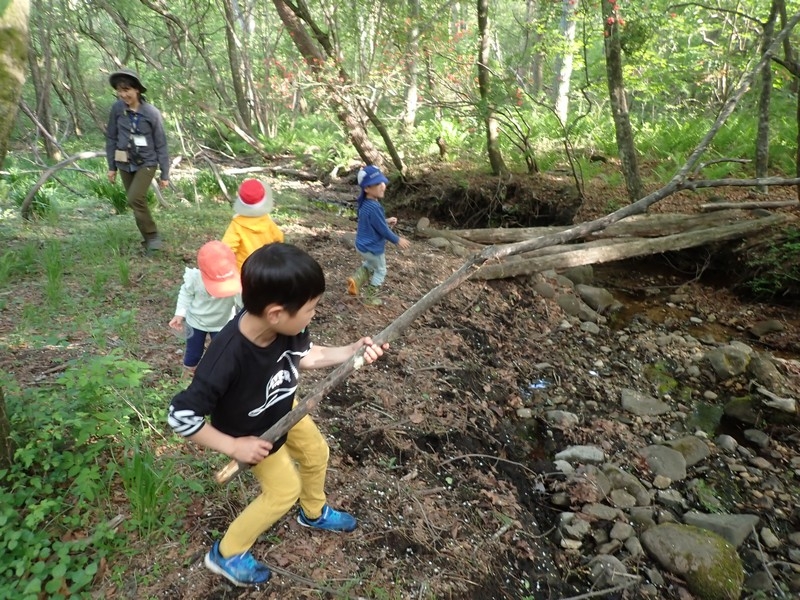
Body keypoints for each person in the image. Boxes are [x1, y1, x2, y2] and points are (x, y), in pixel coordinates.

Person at [167, 242, 389, 587]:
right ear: (275, 313)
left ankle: (313, 512)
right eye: (311, 308)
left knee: (317, 453)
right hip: (253, 433)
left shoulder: (289, 329)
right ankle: (226, 552)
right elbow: (180, 416)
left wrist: (349, 352)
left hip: (284, 409)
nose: (313, 314)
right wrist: (233, 446)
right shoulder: (226, 356)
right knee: (284, 490)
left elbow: (306, 356)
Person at [105, 68, 170, 252]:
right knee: (135, 202)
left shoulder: (151, 113)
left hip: (147, 162)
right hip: (124, 161)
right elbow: (111, 137)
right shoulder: (117, 109)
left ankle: (152, 236)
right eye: (120, 90)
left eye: (127, 90)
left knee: (135, 198)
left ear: (137, 90)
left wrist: (165, 173)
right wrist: (112, 166)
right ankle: (148, 239)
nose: (123, 94)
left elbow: (161, 144)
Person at [168, 241, 241, 375]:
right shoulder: (195, 278)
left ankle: (220, 374)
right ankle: (190, 373)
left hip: (222, 323)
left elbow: (243, 304)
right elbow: (186, 293)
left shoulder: (234, 282)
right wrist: (179, 314)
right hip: (196, 321)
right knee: (193, 352)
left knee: (222, 352)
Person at [347, 165, 410, 306]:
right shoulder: (374, 206)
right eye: (377, 184)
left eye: (383, 182)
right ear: (366, 188)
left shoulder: (365, 204)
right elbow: (382, 230)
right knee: (381, 270)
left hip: (362, 245)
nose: (382, 186)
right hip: (372, 247)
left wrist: (386, 220)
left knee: (370, 263)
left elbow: (373, 222)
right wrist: (397, 239)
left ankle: (355, 281)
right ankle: (370, 298)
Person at [222, 179, 284, 271]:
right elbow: (279, 239)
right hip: (266, 268)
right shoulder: (267, 221)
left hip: (245, 271)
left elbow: (226, 248)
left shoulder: (237, 225)